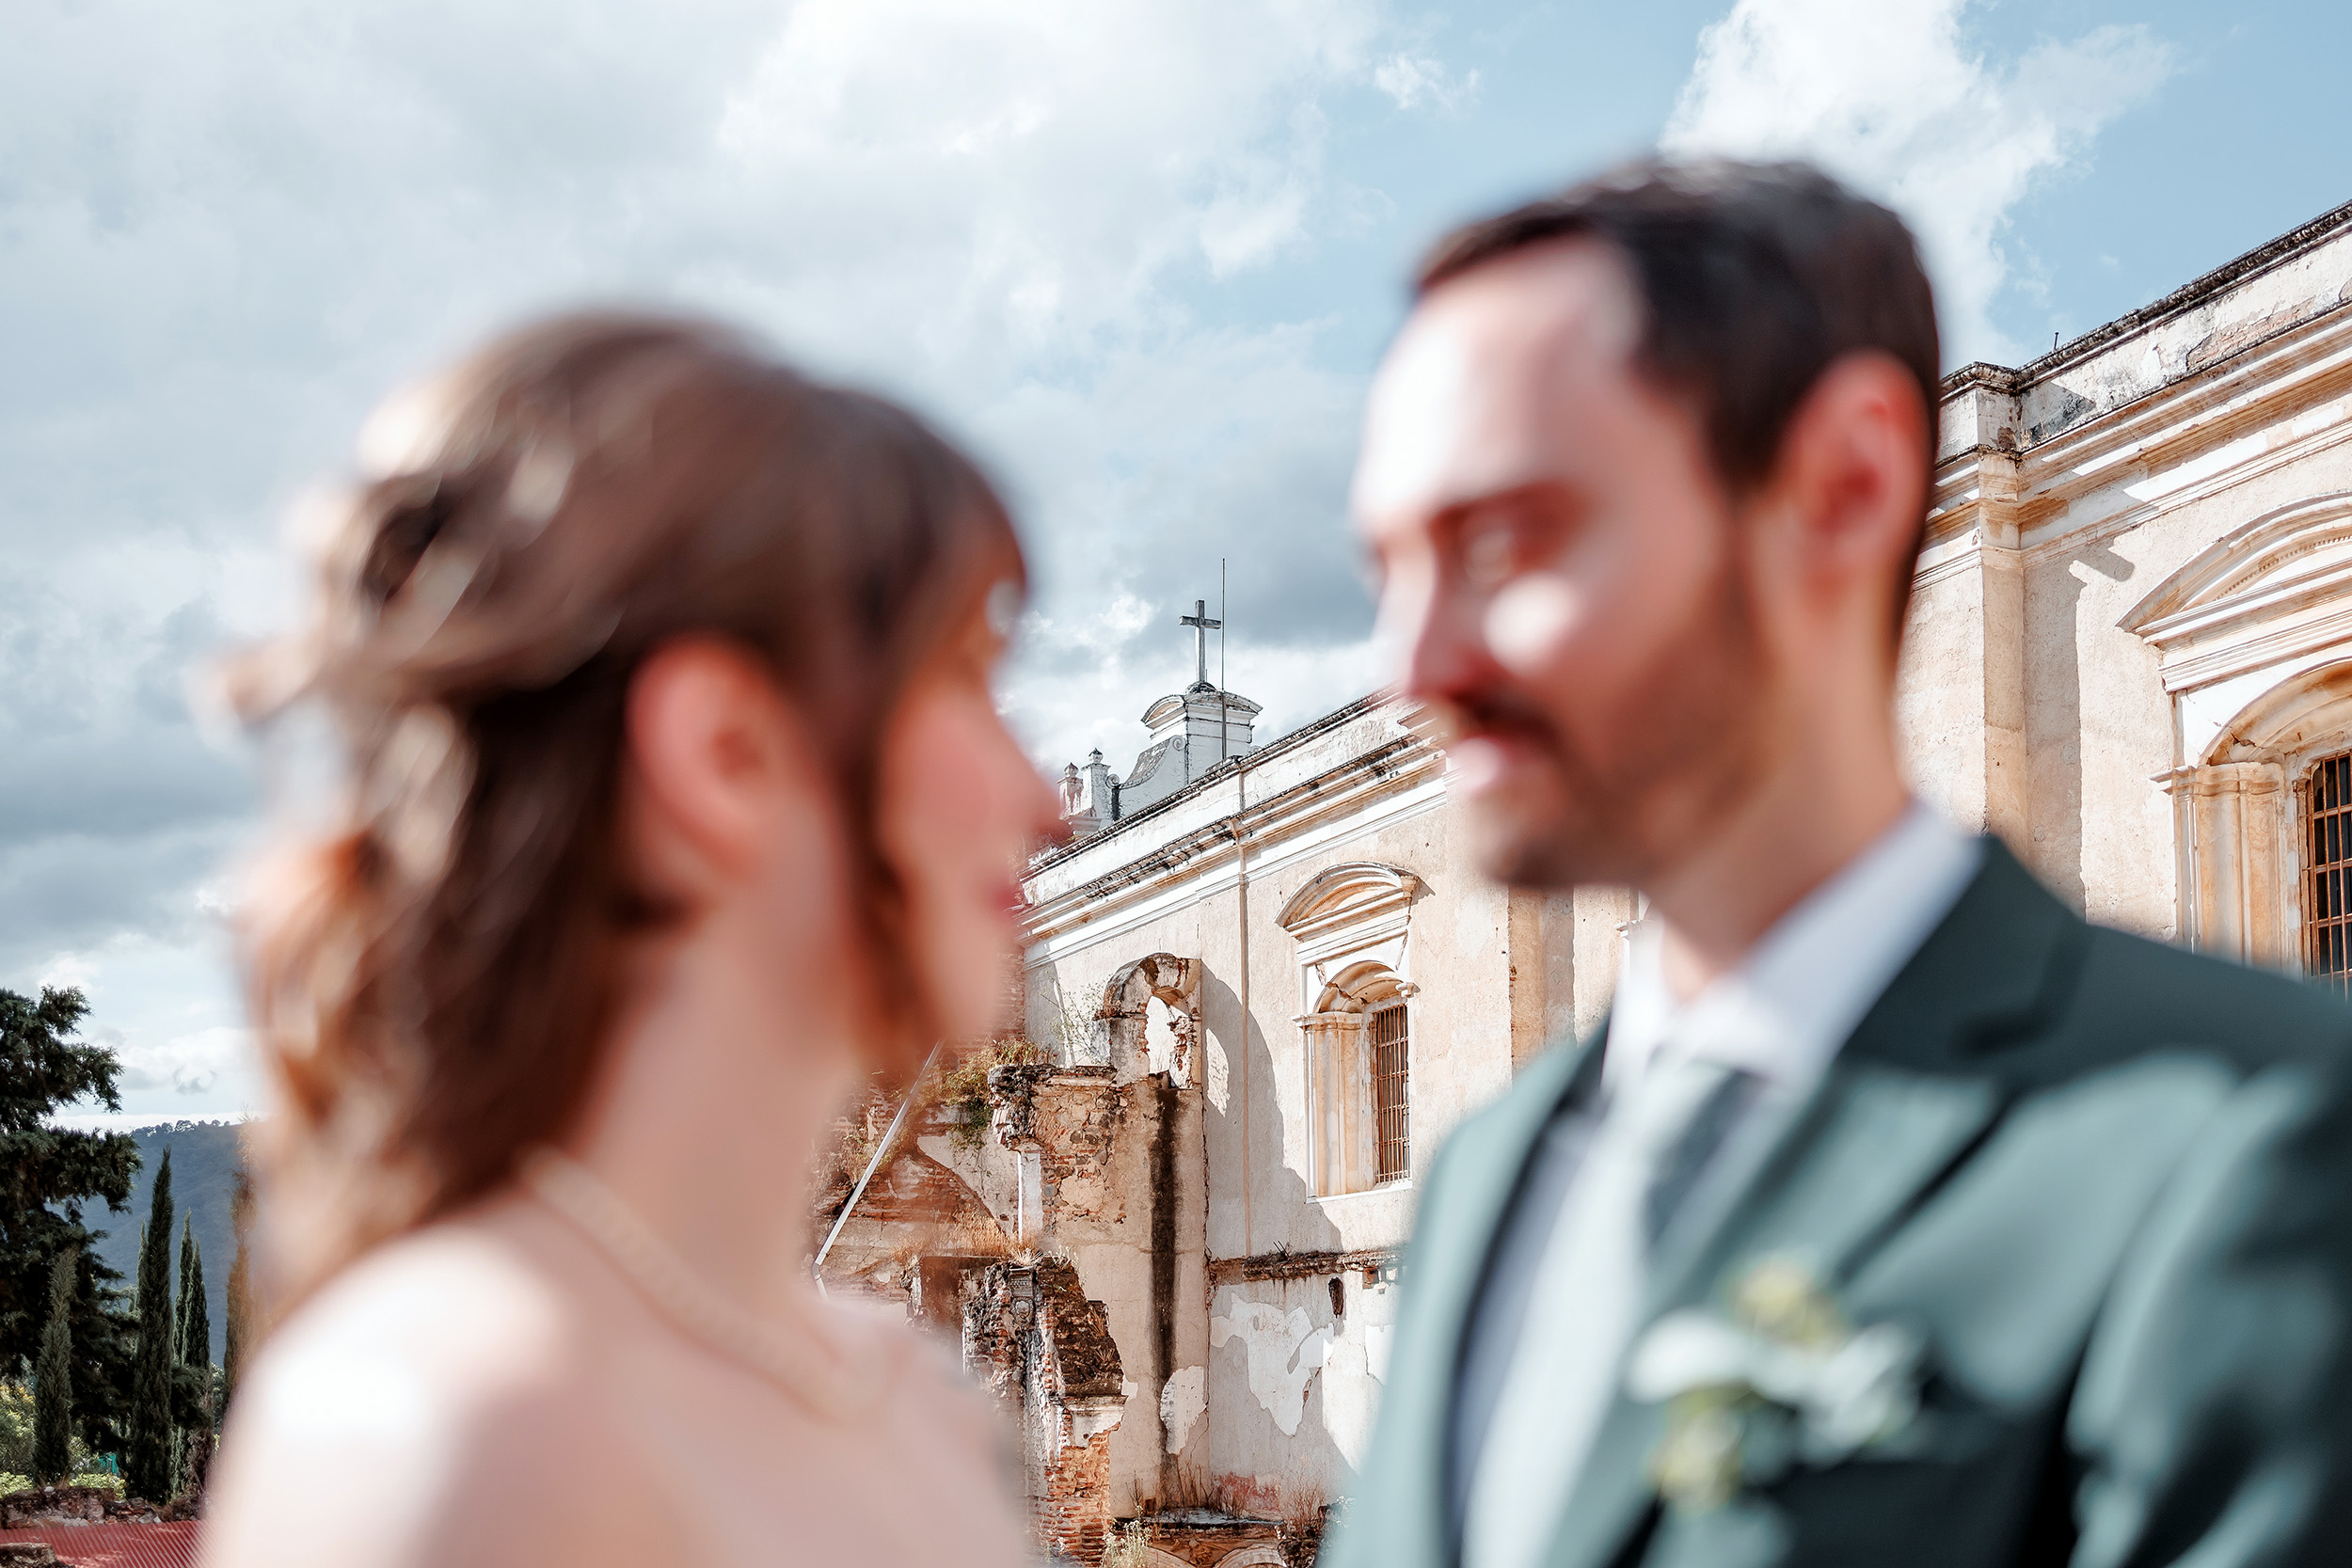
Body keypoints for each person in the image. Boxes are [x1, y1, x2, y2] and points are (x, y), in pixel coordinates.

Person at [1326, 160, 2352, 1568]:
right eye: (1386, 567)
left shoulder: (2267, 1127)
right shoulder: (1484, 1180)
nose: (1411, 668)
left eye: (1502, 540)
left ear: (1843, 483)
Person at [201, 315, 1059, 1567]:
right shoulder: (470, 1437)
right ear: (725, 754)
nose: (1041, 797)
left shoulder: (915, 1399)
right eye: (970, 681)